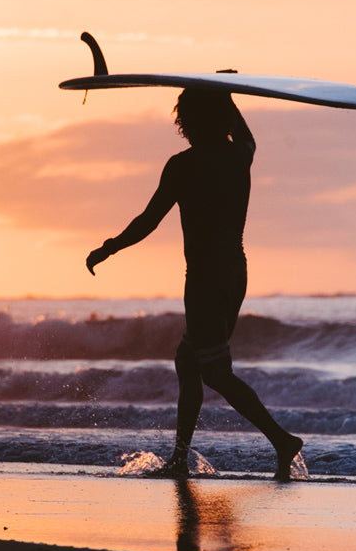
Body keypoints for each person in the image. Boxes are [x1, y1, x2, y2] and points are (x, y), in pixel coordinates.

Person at [86, 89, 303, 481]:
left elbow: (150, 219)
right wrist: (226, 95)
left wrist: (110, 246)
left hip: (203, 277)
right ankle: (180, 458)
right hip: (235, 272)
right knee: (189, 362)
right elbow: (247, 136)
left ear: (187, 123)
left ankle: (282, 440)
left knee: (215, 372)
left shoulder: (184, 166)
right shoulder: (241, 157)